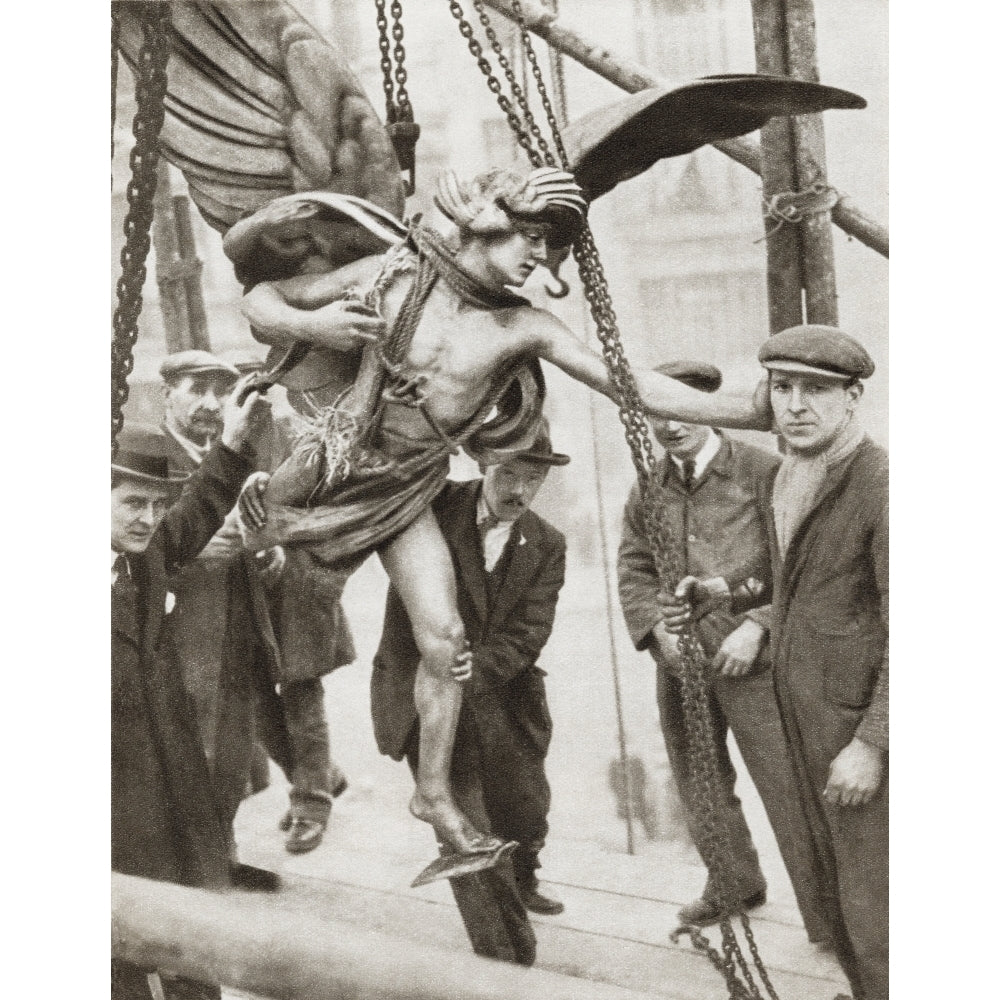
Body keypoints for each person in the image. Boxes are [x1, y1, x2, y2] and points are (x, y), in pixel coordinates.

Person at [237, 164, 772, 867]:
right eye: (529, 239)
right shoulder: (393, 275)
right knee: (230, 601)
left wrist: (751, 409)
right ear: (487, 225)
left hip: (405, 490)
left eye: (548, 247)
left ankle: (432, 794)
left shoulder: (525, 327)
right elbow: (262, 299)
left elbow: (631, 384)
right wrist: (316, 324)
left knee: (447, 639)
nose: (539, 259)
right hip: (326, 469)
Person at [661, 325, 888, 1000]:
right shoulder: (797, 470)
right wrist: (724, 591)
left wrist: (872, 745)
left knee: (879, 903)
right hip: (807, 726)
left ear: (853, 397)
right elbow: (793, 578)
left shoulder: (881, 486)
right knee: (837, 888)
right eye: (783, 388)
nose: (795, 405)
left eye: (816, 390)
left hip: (854, 733)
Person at [616, 369, 830, 941]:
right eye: (655, 414)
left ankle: (828, 918)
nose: (667, 425)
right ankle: (731, 883)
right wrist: (655, 631)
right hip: (680, 662)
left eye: (679, 411)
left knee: (787, 785)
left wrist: (757, 625)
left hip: (756, 663)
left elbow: (799, 565)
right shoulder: (647, 485)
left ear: (709, 409)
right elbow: (634, 567)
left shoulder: (764, 472)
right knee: (699, 779)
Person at [370, 418, 569, 964]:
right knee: (465, 828)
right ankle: (508, 960)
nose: (519, 490)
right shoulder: (428, 508)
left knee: (526, 811)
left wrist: (474, 669)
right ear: (484, 463)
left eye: (533, 479)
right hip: (424, 697)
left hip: (504, 694)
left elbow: (531, 629)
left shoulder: (547, 544)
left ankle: (523, 879)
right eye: (508, 473)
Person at [111, 386, 271, 1000]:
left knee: (193, 949)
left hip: (174, 793)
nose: (147, 519)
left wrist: (231, 442)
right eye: (131, 503)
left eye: (155, 504)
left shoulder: (142, 556)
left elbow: (195, 512)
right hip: (114, 816)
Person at [229, 350, 355, 854]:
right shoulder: (226, 443)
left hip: (298, 587)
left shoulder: (298, 436)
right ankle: (322, 774)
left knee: (302, 698)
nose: (250, 396)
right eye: (240, 389)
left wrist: (291, 545)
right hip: (247, 589)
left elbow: (330, 509)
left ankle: (312, 805)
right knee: (261, 708)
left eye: (257, 385)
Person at [157, 351, 285, 847]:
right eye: (197, 389)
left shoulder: (236, 460)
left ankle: (219, 852)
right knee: (184, 751)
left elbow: (255, 535)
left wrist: (269, 556)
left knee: (231, 751)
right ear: (168, 392)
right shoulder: (144, 455)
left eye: (220, 393)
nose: (211, 404)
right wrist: (192, 553)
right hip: (176, 636)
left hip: (237, 628)